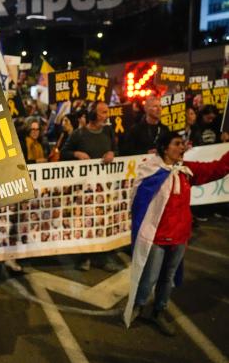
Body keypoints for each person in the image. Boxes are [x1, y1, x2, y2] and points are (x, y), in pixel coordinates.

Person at [124, 132, 229, 335]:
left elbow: (216, 169)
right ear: (165, 148)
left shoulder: (186, 170)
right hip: (156, 237)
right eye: (177, 144)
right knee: (150, 277)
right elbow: (138, 202)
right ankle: (139, 304)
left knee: (168, 278)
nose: (182, 147)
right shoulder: (151, 170)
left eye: (183, 144)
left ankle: (159, 311)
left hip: (179, 236)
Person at [60, 102, 119, 271]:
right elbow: (64, 154)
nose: (106, 115)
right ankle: (83, 257)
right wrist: (76, 154)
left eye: (107, 112)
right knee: (84, 222)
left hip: (103, 187)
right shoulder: (79, 134)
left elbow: (117, 150)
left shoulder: (108, 131)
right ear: (93, 115)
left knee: (102, 220)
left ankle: (102, 257)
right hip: (83, 188)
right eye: (103, 112)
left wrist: (112, 153)